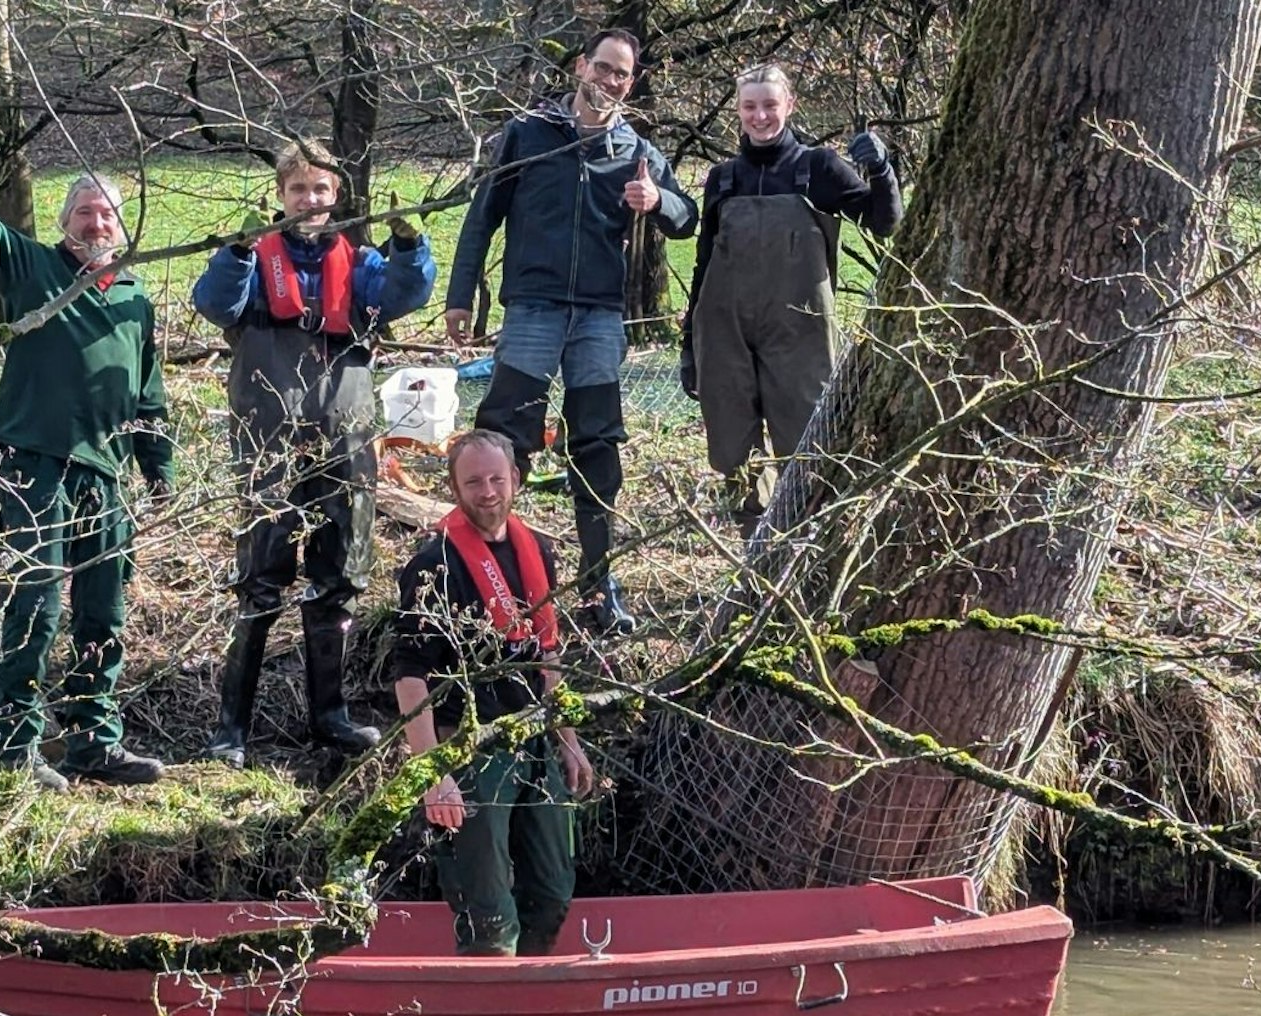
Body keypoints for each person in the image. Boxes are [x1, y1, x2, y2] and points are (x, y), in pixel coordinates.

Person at [0, 83, 173, 790]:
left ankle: (93, 740)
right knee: (33, 606)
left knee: (104, 610)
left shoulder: (133, 298)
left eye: (105, 213)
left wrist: (158, 468)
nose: (94, 222)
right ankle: (14, 746)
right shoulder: (32, 268)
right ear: (65, 221)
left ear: (121, 226)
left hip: (104, 474)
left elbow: (148, 393)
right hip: (34, 464)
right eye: (82, 212)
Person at [443, 28, 699, 637]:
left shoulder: (635, 150)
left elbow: (687, 218)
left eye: (621, 75)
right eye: (603, 67)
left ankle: (597, 579)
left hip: (599, 318)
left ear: (629, 84)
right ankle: (475, 570)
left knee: (598, 447)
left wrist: (657, 198)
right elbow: (483, 217)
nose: (609, 81)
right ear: (581, 66)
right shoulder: (528, 135)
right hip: (532, 308)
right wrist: (460, 297)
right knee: (507, 439)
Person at [192, 140, 437, 770]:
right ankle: (232, 726)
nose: (310, 201)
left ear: (335, 197)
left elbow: (407, 293)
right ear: (282, 196)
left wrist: (410, 246)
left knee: (341, 574)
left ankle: (329, 716)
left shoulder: (359, 263)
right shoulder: (251, 260)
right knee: (260, 579)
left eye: (321, 191)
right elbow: (215, 302)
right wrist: (238, 251)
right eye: (298, 190)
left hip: (344, 432)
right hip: (269, 439)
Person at [394, 429, 597, 956]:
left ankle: (528, 1008)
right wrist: (432, 774)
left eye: (496, 479)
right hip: (469, 747)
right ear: (454, 488)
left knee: (552, 895)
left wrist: (569, 741)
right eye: (473, 482)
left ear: (516, 480)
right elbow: (411, 676)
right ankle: (486, 1013)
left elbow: (547, 653)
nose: (487, 492)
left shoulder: (539, 550)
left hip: (532, 738)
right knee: (489, 916)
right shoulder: (431, 566)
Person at [680, 63, 904, 528]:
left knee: (809, 449)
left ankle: (808, 550)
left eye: (769, 105)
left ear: (789, 105)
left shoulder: (817, 168)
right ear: (738, 112)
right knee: (734, 454)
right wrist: (690, 347)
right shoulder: (722, 179)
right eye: (749, 106)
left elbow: (884, 224)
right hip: (725, 335)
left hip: (800, 336)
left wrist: (882, 170)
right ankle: (753, 553)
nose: (760, 116)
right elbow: (703, 268)